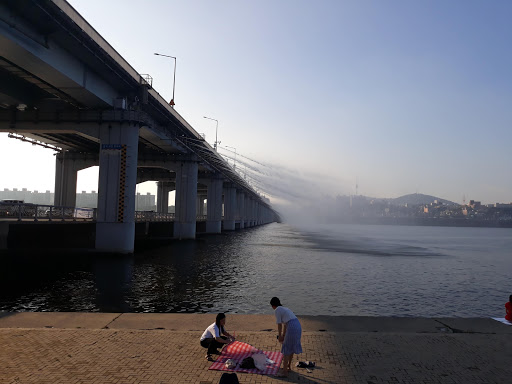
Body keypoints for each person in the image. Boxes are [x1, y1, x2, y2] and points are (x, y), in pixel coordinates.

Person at [270, 297, 302, 377]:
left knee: (286, 349)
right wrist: (283, 335)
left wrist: (280, 336)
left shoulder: (277, 310)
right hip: (297, 325)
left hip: (291, 327)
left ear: (273, 305)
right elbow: (285, 324)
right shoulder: (285, 309)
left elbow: (280, 324)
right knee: (291, 348)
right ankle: (288, 367)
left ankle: (284, 372)